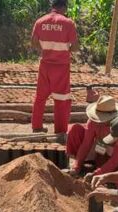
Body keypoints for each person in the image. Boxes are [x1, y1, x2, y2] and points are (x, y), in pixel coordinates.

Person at [31, 0, 79, 134]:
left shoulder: (40, 21)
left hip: (45, 65)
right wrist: (65, 50)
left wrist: (46, 50)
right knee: (61, 100)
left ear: (53, 6)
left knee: (40, 97)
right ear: (64, 6)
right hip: (61, 67)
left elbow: (34, 42)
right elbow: (75, 47)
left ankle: (37, 127)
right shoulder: (68, 23)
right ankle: (60, 131)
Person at [66, 95, 118, 179]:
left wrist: (97, 173)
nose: (100, 121)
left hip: (115, 153)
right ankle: (89, 163)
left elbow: (117, 158)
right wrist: (76, 166)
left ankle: (102, 168)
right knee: (75, 129)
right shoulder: (93, 121)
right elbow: (86, 144)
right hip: (100, 146)